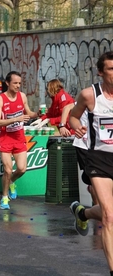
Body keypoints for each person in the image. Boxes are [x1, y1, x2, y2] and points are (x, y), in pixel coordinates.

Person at [69, 51, 113, 274]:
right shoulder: (90, 95)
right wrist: (76, 125)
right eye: (111, 69)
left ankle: (82, 213)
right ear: (101, 72)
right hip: (99, 158)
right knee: (109, 215)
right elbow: (73, 116)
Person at [0, 71, 38, 210]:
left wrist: (39, 114)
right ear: (7, 83)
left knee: (22, 169)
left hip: (18, 137)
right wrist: (15, 119)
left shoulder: (22, 96)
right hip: (5, 138)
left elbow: (28, 113)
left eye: (20, 83)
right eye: (15, 83)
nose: (18, 86)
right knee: (7, 169)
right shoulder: (0, 99)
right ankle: (4, 198)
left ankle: (12, 181)